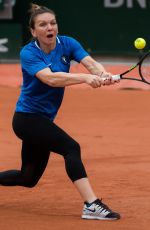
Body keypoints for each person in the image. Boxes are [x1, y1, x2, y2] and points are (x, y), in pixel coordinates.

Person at [0, 4, 120, 220]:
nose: (50, 28)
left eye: (53, 23)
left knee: (28, 178)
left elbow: (90, 63)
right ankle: (91, 205)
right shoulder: (28, 52)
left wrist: (103, 74)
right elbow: (51, 78)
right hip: (27, 119)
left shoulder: (68, 43)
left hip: (43, 120)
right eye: (43, 24)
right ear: (33, 31)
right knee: (71, 148)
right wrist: (85, 79)